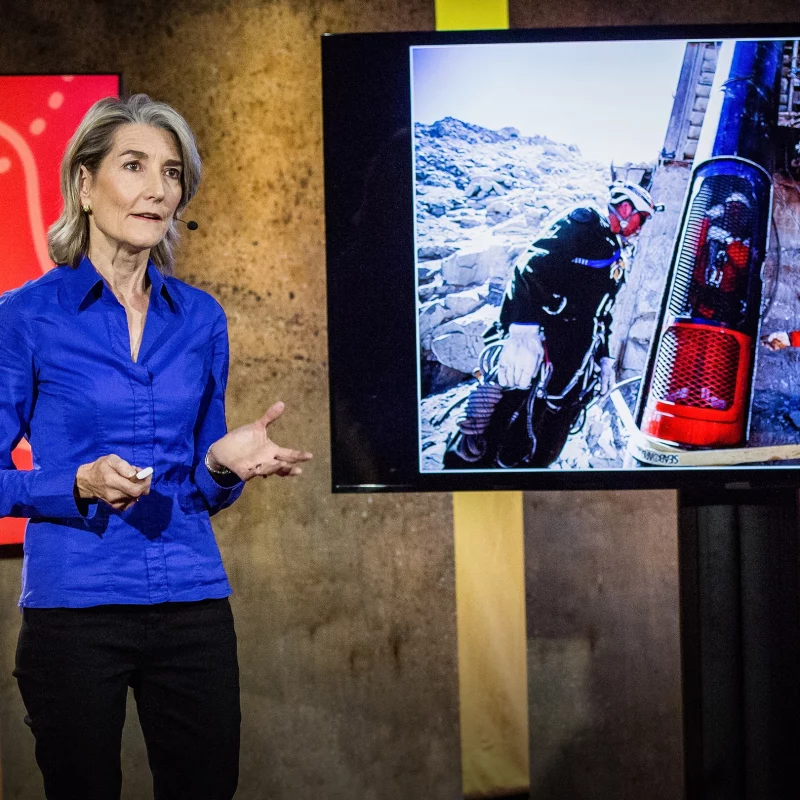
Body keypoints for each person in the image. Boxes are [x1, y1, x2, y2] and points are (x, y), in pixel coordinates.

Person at [0, 94, 312, 800]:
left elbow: (200, 485)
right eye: (133, 165)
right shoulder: (26, 317)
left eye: (170, 173)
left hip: (191, 603)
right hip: (75, 612)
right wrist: (72, 483)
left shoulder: (200, 318)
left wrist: (220, 466)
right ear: (84, 185)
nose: (157, 189)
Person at [445, 180, 657, 468]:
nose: (641, 228)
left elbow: (602, 313)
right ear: (624, 208)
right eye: (640, 219)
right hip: (534, 353)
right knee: (496, 428)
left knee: (544, 442)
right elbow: (530, 267)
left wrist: (604, 357)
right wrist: (523, 329)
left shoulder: (615, 254)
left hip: (571, 369)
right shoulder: (585, 224)